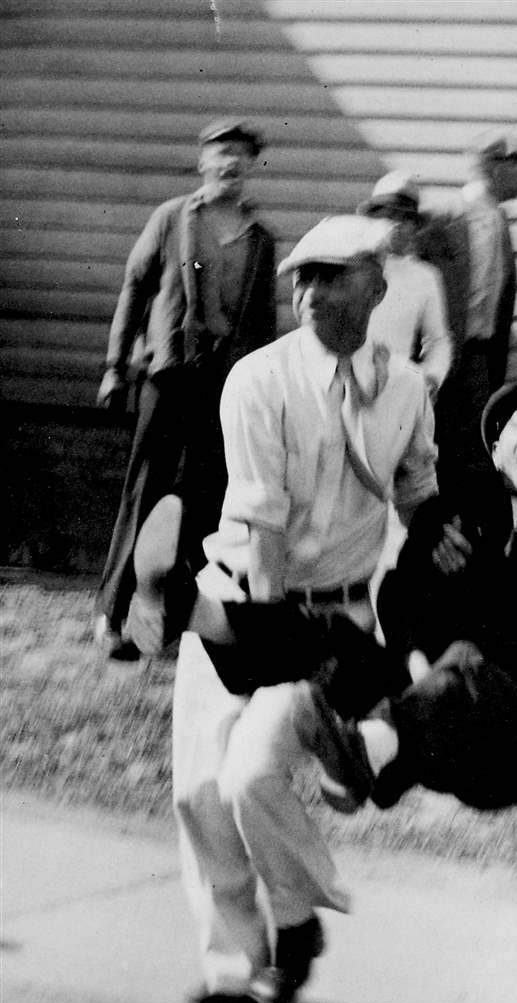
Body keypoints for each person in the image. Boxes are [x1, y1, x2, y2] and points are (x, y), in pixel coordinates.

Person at [127, 365, 517, 818]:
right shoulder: (462, 511)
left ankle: (366, 751)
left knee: (465, 661)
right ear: (498, 447)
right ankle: (189, 610)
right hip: (435, 716)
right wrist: (416, 661)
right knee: (332, 635)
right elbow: (397, 594)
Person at [165, 215, 437, 1003]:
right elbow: (263, 524)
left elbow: (418, 492)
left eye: (332, 276)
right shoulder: (259, 379)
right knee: (200, 793)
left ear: (377, 287)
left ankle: (293, 926)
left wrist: (437, 572)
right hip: (241, 603)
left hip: (335, 622)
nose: (310, 291)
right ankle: (235, 962)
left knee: (252, 776)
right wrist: (268, 644)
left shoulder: (407, 387)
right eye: (303, 278)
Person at [93, 118, 277, 660]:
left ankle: (174, 617)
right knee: (146, 493)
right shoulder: (173, 217)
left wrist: (264, 392)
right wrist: (115, 366)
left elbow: (263, 325)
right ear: (202, 161)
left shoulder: (261, 240)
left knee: (205, 499)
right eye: (221, 152)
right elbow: (134, 287)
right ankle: (112, 613)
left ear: (252, 166)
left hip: (225, 388)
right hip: (170, 376)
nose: (231, 162)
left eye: (242, 154)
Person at [421, 131, 517, 495]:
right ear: (494, 167)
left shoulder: (500, 222)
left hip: (480, 362)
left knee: (472, 457)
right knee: (432, 452)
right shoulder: (442, 222)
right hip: (440, 362)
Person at [361, 171, 453, 398]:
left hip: (394, 389)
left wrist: (431, 378)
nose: (398, 226)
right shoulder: (351, 266)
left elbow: (438, 340)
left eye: (406, 219)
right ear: (372, 219)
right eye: (389, 217)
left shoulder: (424, 276)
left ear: (415, 226)